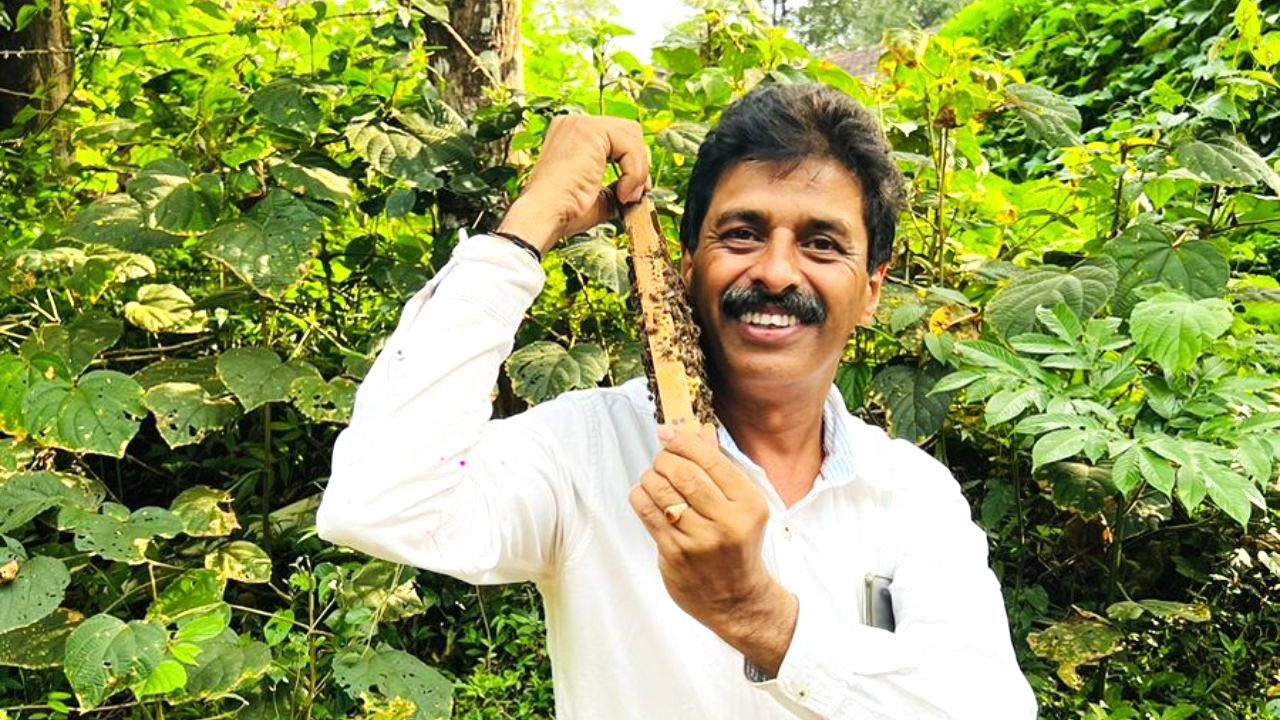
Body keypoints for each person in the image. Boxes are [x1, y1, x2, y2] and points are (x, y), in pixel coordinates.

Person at [316, 82, 1038, 719]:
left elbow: (986, 708)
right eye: (743, 233)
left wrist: (760, 616)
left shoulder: (911, 494)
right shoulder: (585, 451)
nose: (778, 271)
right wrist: (528, 224)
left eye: (821, 244)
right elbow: (378, 502)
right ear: (687, 266)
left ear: (872, 289)